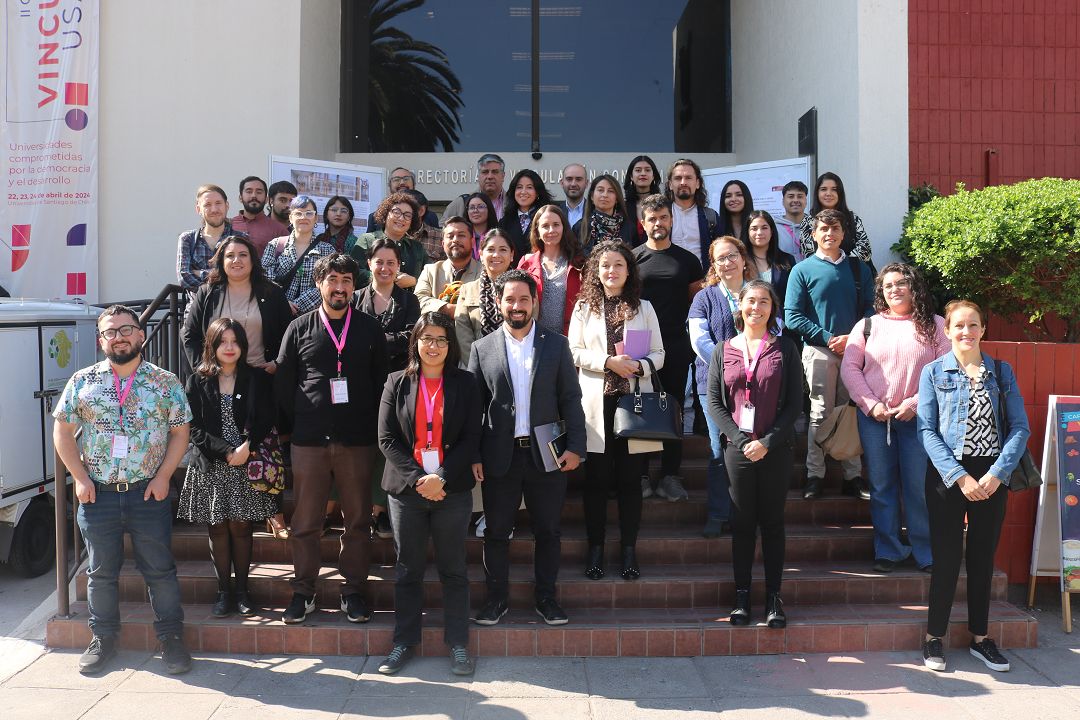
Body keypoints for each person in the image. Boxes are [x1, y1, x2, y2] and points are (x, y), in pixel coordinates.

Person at [52, 305, 192, 675]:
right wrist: (80, 479)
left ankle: (172, 639)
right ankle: (103, 639)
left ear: (141, 334)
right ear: (101, 340)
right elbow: (62, 433)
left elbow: (180, 433)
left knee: (160, 571)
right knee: (100, 573)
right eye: (110, 331)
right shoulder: (82, 382)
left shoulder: (165, 382)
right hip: (97, 495)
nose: (119, 336)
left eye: (126, 329)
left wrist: (164, 477)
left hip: (148, 493)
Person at [274, 254, 389, 625]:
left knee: (357, 521)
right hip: (309, 441)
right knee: (306, 521)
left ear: (354, 285)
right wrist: (298, 423)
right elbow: (285, 383)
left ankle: (353, 590)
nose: (339, 287)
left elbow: (381, 384)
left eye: (346, 280)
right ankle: (303, 592)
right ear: (319, 283)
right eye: (332, 280)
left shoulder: (370, 329)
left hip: (358, 441)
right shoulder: (298, 328)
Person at [469, 269, 587, 626]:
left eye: (524, 299)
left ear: (535, 302)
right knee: (496, 532)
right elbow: (474, 407)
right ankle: (496, 600)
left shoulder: (556, 344)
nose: (517, 306)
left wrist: (576, 447)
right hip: (498, 457)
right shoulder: (482, 347)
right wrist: (473, 454)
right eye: (510, 299)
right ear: (499, 303)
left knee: (548, 530)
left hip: (547, 453)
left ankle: (547, 598)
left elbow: (571, 398)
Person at [917, 300, 1029, 674]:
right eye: (958, 326)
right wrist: (959, 476)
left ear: (984, 329)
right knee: (946, 559)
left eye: (973, 325)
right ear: (946, 331)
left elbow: (1019, 428)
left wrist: (997, 474)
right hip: (949, 476)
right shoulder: (933, 372)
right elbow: (927, 431)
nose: (966, 332)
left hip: (992, 474)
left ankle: (981, 639)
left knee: (982, 559)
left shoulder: (1002, 371)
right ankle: (935, 637)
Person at [375, 312, 482, 677]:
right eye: (426, 338)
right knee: (408, 570)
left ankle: (458, 644)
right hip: (407, 491)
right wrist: (422, 478)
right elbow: (386, 439)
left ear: (450, 346)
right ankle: (404, 642)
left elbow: (471, 438)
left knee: (453, 569)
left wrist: (442, 478)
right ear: (415, 342)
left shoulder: (466, 384)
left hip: (451, 491)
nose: (433, 346)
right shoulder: (396, 382)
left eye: (440, 339)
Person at [841, 263, 949, 574]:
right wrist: (871, 404)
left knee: (918, 487)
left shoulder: (935, 325)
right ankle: (887, 549)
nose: (894, 290)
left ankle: (925, 551)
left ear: (915, 288)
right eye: (888, 286)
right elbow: (850, 369)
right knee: (882, 485)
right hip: (876, 420)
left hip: (920, 421)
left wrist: (916, 403)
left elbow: (946, 370)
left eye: (901, 283)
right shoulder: (867, 326)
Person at [707, 281, 803, 629]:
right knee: (742, 525)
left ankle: (774, 598)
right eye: (751, 301)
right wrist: (738, 438)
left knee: (773, 524)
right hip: (738, 450)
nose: (757, 307)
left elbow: (796, 402)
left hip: (775, 450)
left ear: (772, 308)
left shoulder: (786, 349)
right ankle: (742, 596)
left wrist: (768, 441)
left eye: (764, 302)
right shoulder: (723, 350)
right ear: (741, 306)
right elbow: (715, 402)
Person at [569, 241, 665, 581]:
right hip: (596, 405)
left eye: (619, 265)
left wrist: (637, 367)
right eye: (605, 265)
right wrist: (608, 361)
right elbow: (574, 352)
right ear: (597, 270)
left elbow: (659, 354)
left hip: (633, 404)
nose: (612, 271)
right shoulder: (583, 307)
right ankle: (595, 550)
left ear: (629, 271)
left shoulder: (644, 307)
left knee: (629, 482)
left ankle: (628, 550)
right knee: (595, 481)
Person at [179, 318, 277, 618]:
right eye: (223, 342)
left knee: (242, 527)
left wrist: (247, 446)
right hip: (212, 463)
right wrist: (226, 451)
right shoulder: (197, 380)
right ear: (212, 345)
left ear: (243, 345)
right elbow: (193, 427)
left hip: (247, 460)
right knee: (218, 528)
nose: (230, 347)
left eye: (235, 341)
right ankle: (224, 591)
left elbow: (266, 416)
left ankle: (244, 591)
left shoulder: (257, 378)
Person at [784, 208, 874, 500]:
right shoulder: (802, 270)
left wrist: (852, 338)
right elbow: (792, 316)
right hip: (819, 351)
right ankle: (815, 474)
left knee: (850, 412)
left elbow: (872, 311)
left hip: (854, 351)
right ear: (814, 234)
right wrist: (828, 337)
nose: (829, 234)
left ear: (843, 234)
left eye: (835, 229)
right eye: (823, 229)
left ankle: (852, 476)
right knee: (819, 413)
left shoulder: (859, 269)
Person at [633, 194, 704, 501]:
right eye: (652, 219)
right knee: (641, 407)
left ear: (671, 220)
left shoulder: (688, 260)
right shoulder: (633, 257)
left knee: (673, 407)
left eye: (663, 217)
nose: (658, 223)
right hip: (638, 341)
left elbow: (697, 303)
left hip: (675, 340)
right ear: (643, 223)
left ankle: (670, 476)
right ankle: (642, 475)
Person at [688, 236, 756, 536]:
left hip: (754, 387)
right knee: (719, 449)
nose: (727, 263)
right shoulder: (704, 298)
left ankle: (746, 514)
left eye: (732, 256)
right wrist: (728, 367)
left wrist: (749, 367)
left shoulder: (758, 293)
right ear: (713, 265)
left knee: (748, 448)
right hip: (713, 386)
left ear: (742, 258)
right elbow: (699, 340)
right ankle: (717, 514)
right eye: (720, 259)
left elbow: (775, 330)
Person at [356, 237, 422, 538]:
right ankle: (356, 509)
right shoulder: (356, 298)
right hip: (358, 383)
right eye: (379, 262)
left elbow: (411, 336)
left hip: (397, 383)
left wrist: (374, 340)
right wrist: (384, 339)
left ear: (399, 267)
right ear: (369, 264)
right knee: (359, 446)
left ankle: (380, 510)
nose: (385, 268)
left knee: (388, 446)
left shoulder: (409, 300)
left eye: (391, 263)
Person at [182, 235, 292, 373]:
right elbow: (190, 334)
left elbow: (290, 335)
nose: (236, 260)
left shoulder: (272, 292)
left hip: (261, 376)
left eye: (243, 255)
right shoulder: (207, 292)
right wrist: (201, 367)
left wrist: (278, 363)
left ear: (252, 260)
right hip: (218, 377)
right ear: (221, 261)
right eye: (230, 255)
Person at [261, 195, 336, 315]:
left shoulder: (327, 250)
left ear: (316, 218)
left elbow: (329, 283)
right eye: (298, 213)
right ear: (291, 217)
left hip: (312, 317)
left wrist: (297, 306)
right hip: (276, 313)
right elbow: (264, 279)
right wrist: (283, 303)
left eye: (309, 213)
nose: (304, 217)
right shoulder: (275, 245)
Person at [517, 204, 584, 335]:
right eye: (545, 226)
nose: (551, 230)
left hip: (569, 340)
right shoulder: (526, 263)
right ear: (537, 231)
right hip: (534, 340)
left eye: (556, 224)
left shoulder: (578, 264)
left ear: (564, 227)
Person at [454, 229, 515, 364]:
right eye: (491, 249)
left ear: (512, 255)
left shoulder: (524, 289)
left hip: (516, 364)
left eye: (503, 250)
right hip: (475, 367)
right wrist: (480, 366)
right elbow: (463, 336)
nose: (496, 255)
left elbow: (528, 327)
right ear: (481, 254)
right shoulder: (467, 290)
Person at [351, 192, 427, 290]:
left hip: (409, 303)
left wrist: (414, 281)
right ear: (386, 213)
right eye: (396, 212)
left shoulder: (417, 247)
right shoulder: (367, 239)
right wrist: (388, 277)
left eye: (407, 215)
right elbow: (353, 271)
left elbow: (431, 276)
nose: (401, 218)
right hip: (371, 301)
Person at [177, 184, 243, 291]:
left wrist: (200, 273)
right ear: (198, 209)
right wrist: (211, 293)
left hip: (233, 305)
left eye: (218, 203)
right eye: (207, 205)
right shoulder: (187, 239)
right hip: (199, 306)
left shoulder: (241, 238)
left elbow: (245, 275)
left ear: (227, 206)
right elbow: (184, 277)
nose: (214, 209)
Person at [799, 172, 873, 263]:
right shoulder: (808, 221)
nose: (828, 193)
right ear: (817, 193)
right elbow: (807, 254)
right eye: (823, 189)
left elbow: (865, 249)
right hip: (822, 273)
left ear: (840, 193)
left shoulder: (852, 219)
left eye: (834, 189)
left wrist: (841, 264)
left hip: (855, 272)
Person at [415, 217, 481, 317]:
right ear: (443, 244)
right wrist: (447, 308)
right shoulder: (430, 271)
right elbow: (419, 299)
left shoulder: (484, 272)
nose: (455, 240)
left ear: (472, 242)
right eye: (450, 236)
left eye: (461, 235)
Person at [665, 159, 720, 269]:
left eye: (688, 178)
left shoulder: (710, 217)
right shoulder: (661, 217)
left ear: (698, 183)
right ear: (670, 185)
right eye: (678, 178)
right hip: (670, 281)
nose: (683, 182)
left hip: (702, 281)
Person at [572, 174, 637, 255]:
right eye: (600, 190)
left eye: (610, 191)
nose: (605, 195)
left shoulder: (629, 227)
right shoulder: (580, 227)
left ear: (617, 198)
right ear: (592, 196)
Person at [499, 169, 553, 260]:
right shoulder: (504, 222)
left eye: (529, 187)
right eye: (519, 187)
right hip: (511, 272)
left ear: (537, 192)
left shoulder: (547, 218)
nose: (523, 192)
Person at [743, 210, 796, 300]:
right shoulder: (741, 260)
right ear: (747, 232)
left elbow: (794, 295)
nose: (759, 232)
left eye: (764, 228)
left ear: (772, 231)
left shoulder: (787, 260)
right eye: (754, 228)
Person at [366, 168, 439, 230]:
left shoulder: (430, 216)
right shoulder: (374, 218)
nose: (402, 182)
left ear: (414, 184)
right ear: (389, 185)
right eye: (396, 179)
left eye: (406, 179)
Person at [442, 153, 507, 222]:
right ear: (478, 176)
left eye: (495, 172)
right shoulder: (461, 203)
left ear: (503, 176)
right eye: (485, 172)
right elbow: (441, 229)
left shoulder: (514, 203)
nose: (490, 176)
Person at [231, 176, 282, 254]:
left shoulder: (279, 230)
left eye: (259, 192)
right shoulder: (229, 225)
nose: (254, 195)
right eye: (249, 191)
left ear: (266, 199)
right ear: (240, 198)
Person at [623, 155, 661, 245]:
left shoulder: (662, 205)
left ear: (653, 176)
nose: (643, 173)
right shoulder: (622, 207)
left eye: (647, 170)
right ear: (631, 176)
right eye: (638, 170)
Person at [405, 189, 446, 264]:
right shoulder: (392, 236)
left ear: (421, 211)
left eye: (407, 209)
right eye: (398, 211)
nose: (402, 215)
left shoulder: (441, 237)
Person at [775, 180, 808, 262]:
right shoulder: (773, 228)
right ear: (783, 201)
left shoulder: (815, 226)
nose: (796, 200)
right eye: (791, 196)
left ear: (806, 201)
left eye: (800, 196)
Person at [464, 192, 498, 260]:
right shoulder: (463, 236)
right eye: (472, 207)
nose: (475, 211)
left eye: (480, 207)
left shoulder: (498, 235)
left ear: (489, 209)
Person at [557, 162, 588, 228]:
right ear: (562, 183)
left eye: (578, 179)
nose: (573, 184)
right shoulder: (555, 211)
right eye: (569, 179)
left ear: (586, 183)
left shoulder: (594, 211)